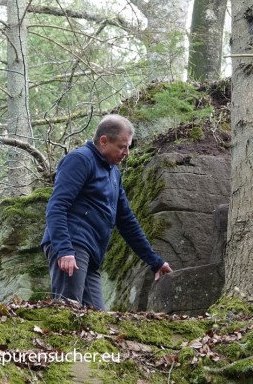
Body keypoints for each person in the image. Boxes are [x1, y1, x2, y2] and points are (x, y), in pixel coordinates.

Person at [41, 114, 172, 309]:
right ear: (103, 141)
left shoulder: (113, 174)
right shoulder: (80, 160)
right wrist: (64, 249)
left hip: (93, 254)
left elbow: (127, 221)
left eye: (128, 147)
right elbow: (56, 206)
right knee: (67, 313)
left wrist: (154, 261)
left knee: (96, 319)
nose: (126, 152)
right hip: (72, 246)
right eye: (122, 146)